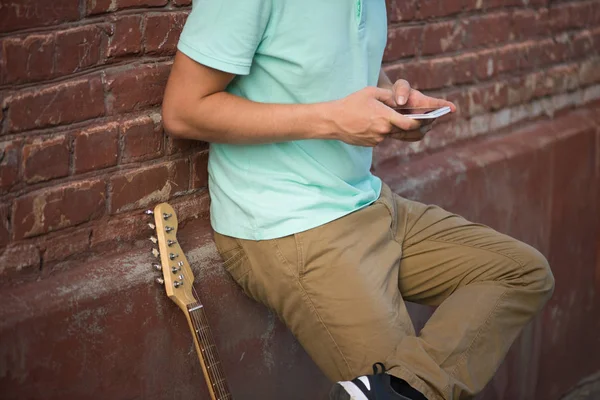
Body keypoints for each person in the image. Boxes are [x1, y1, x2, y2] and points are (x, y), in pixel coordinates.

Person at [162, 1, 555, 399]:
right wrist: (334, 119)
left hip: (366, 200)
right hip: (289, 223)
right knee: (402, 386)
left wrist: (391, 104)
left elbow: (330, 73)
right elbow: (182, 111)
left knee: (521, 273)